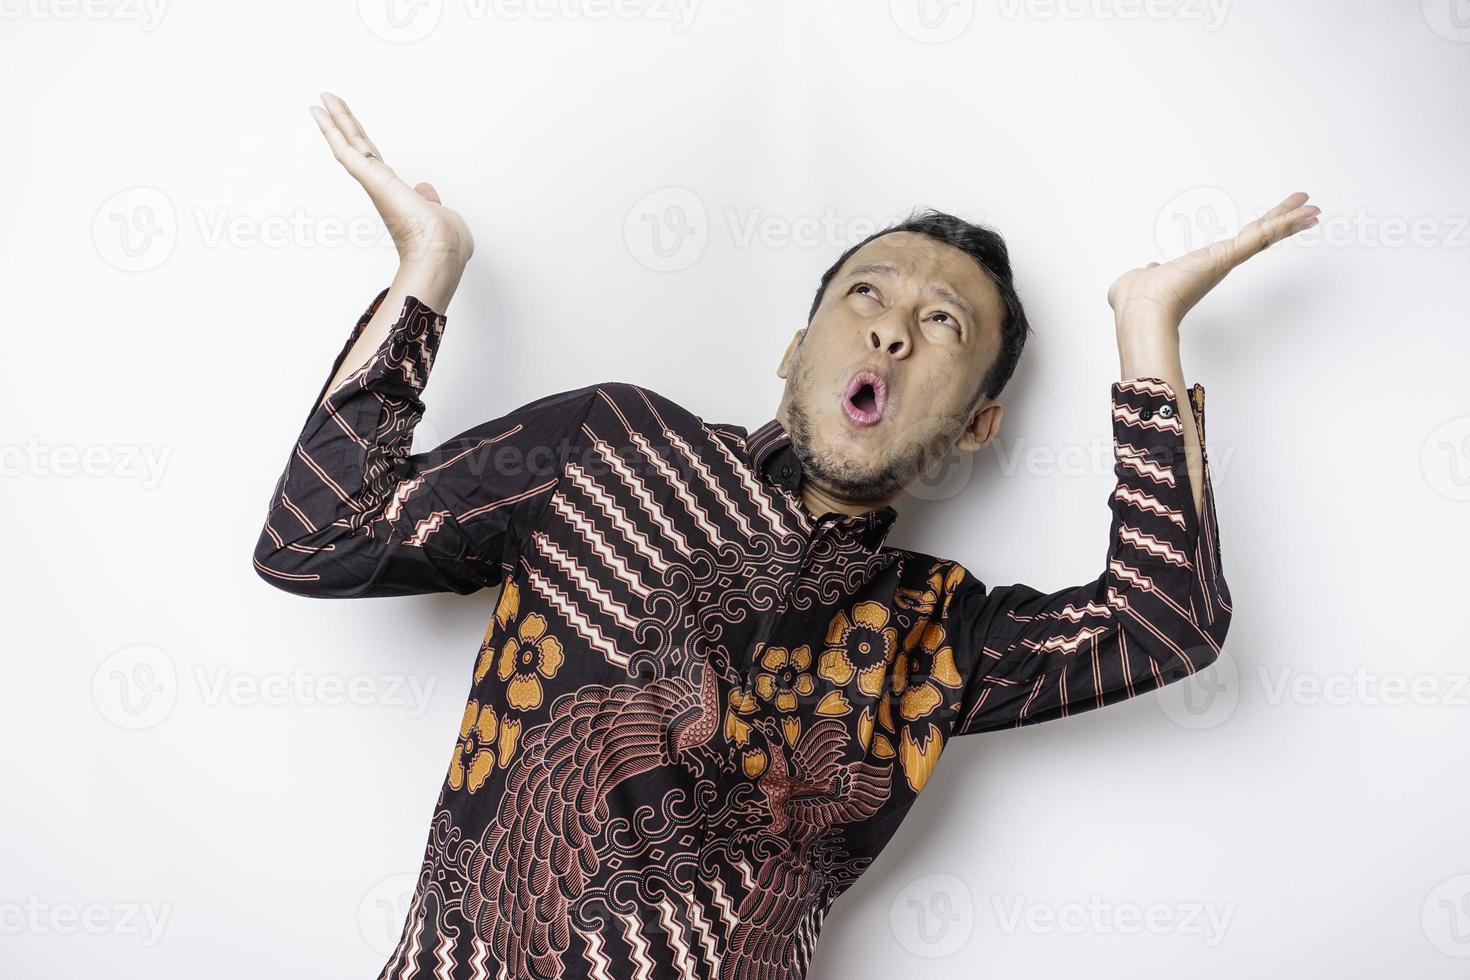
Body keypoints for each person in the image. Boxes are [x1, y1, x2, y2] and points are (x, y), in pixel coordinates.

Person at [253, 92, 1317, 980]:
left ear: (976, 425)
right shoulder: (605, 447)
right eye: (867, 295)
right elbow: (315, 537)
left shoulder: (936, 635)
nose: (894, 328)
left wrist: (1147, 331)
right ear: (797, 346)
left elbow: (1165, 621)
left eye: (944, 322)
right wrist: (426, 267)